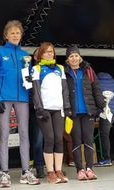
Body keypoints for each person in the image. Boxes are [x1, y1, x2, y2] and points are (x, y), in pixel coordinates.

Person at [0, 20, 40, 188]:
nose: (15, 35)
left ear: (21, 35)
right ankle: (4, 173)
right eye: (12, 33)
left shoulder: (26, 55)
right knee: (4, 135)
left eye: (18, 33)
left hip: (22, 98)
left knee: (24, 134)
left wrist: (30, 82)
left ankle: (26, 171)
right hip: (4, 98)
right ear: (6, 35)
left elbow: (27, 79)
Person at [30, 42, 71, 183]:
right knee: (49, 139)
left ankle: (58, 170)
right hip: (44, 109)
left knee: (59, 140)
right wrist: (39, 108)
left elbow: (65, 90)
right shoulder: (36, 69)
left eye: (51, 51)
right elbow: (35, 91)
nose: (49, 54)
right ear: (41, 54)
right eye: (46, 52)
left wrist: (66, 107)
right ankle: (50, 172)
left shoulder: (60, 68)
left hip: (58, 109)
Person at [64, 45, 105, 181]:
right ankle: (80, 170)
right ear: (67, 59)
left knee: (88, 140)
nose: (74, 58)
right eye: (71, 56)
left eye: (76, 55)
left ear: (80, 57)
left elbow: (96, 90)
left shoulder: (88, 70)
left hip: (88, 112)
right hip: (73, 113)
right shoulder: (64, 72)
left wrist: (103, 105)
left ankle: (90, 169)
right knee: (76, 141)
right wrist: (65, 109)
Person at [28, 48, 45, 178]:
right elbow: (27, 88)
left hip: (52, 108)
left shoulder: (53, 69)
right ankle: (39, 167)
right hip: (36, 109)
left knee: (53, 139)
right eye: (39, 53)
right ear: (34, 56)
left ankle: (55, 168)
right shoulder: (29, 70)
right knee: (38, 139)